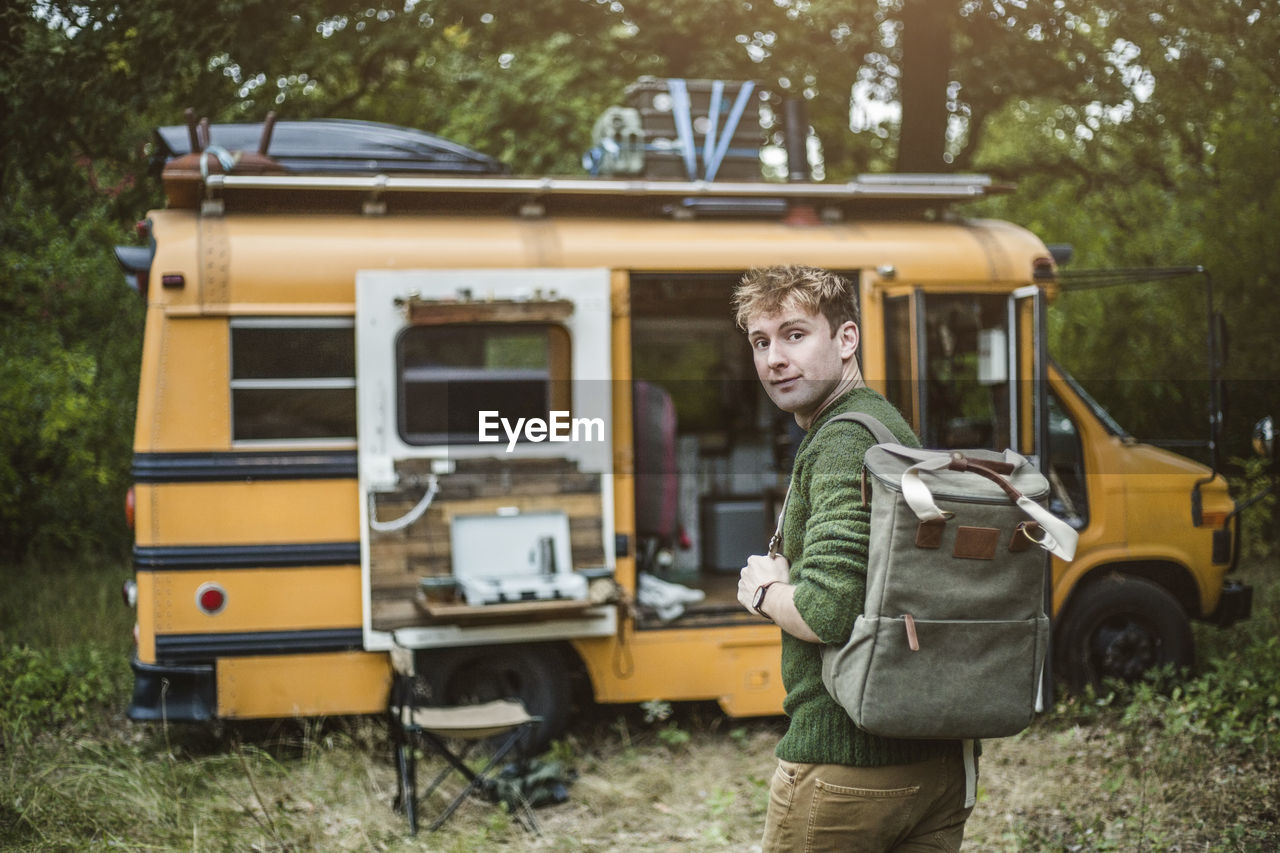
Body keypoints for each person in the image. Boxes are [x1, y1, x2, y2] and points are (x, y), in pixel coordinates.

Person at [733, 265, 974, 852]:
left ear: (846, 340)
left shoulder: (842, 440)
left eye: (794, 335)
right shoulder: (884, 425)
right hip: (938, 764)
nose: (774, 360)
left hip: (848, 767)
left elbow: (827, 612)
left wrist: (764, 591)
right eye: (761, 343)